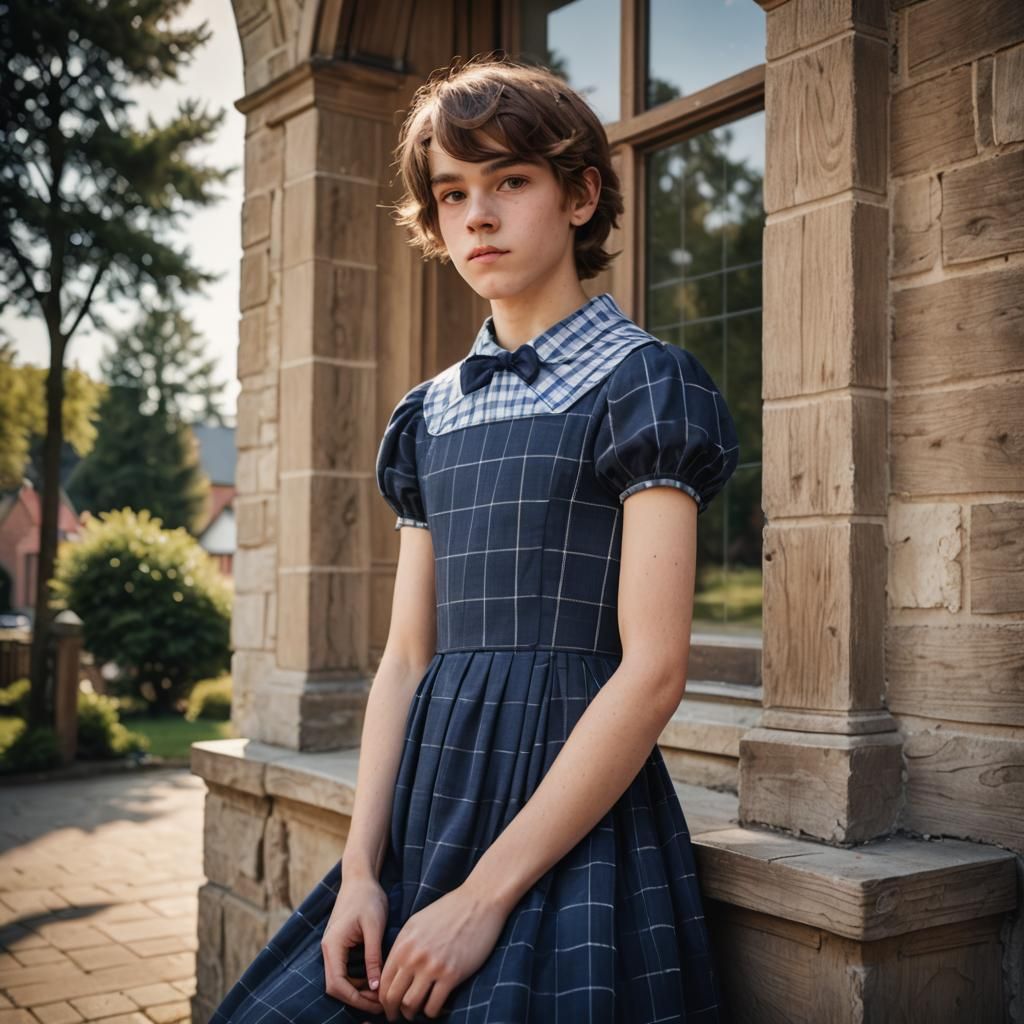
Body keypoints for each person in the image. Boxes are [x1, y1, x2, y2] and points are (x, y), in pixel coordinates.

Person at [211, 51, 738, 1024]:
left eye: (510, 180)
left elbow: (655, 669)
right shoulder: (428, 415)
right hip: (426, 814)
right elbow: (406, 655)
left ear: (580, 194)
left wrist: (485, 898)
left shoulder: (644, 385)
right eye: (452, 194)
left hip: (565, 825)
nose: (478, 216)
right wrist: (361, 869)